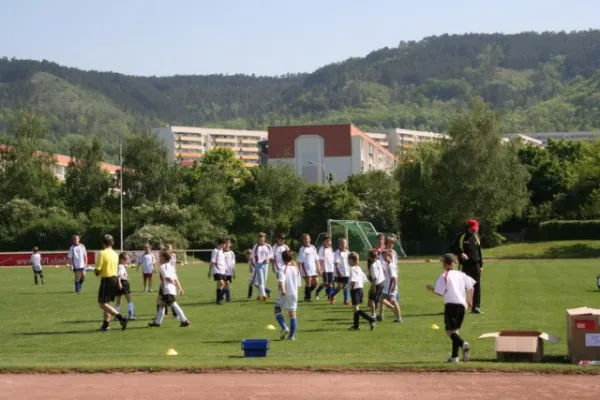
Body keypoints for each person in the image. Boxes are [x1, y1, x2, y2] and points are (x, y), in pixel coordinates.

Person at [426, 253, 474, 363]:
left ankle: (463, 344)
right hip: (462, 305)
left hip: (451, 305)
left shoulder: (444, 276)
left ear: (445, 264)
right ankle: (454, 357)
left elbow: (439, 292)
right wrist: (469, 301)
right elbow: (471, 288)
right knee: (455, 330)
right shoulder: (461, 274)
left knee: (449, 331)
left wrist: (431, 289)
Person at [94, 234, 128, 332]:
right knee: (107, 303)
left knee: (102, 303)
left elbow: (98, 269)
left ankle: (121, 318)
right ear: (112, 243)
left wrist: (96, 271)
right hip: (114, 279)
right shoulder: (115, 253)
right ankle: (106, 325)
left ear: (103, 243)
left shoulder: (102, 253)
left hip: (106, 280)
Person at [149, 250, 190, 327]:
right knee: (162, 304)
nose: (159, 258)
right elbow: (176, 278)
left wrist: (173, 283)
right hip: (169, 289)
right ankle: (158, 322)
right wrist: (179, 288)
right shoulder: (171, 266)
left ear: (164, 258)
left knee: (174, 304)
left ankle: (184, 320)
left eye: (160, 257)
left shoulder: (162, 267)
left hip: (167, 289)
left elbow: (167, 277)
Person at [451, 219, 484, 314]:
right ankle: (458, 307)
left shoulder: (477, 237)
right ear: (469, 227)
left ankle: (475, 307)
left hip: (476, 265)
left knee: (477, 286)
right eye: (473, 228)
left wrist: (481, 265)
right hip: (465, 265)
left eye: (476, 228)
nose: (475, 230)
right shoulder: (461, 236)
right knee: (462, 286)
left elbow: (479, 252)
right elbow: (452, 247)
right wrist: (461, 253)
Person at [274, 250, 302, 340]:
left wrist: (282, 290)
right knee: (292, 314)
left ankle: (284, 327)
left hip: (285, 293)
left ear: (282, 259)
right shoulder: (296, 269)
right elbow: (298, 284)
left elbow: (281, 280)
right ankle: (291, 336)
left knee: (277, 309)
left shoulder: (283, 268)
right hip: (294, 294)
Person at [348, 252, 376, 331]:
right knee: (355, 308)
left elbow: (353, 280)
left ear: (351, 260)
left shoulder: (352, 269)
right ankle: (356, 326)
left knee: (356, 309)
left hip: (355, 290)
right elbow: (365, 279)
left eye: (348, 260)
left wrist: (350, 288)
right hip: (360, 289)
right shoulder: (359, 268)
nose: (348, 262)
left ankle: (371, 319)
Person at [377, 250, 403, 323]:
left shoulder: (391, 265)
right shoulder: (388, 264)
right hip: (387, 287)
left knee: (393, 302)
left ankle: (399, 318)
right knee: (381, 299)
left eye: (384, 255)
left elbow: (394, 277)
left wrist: (393, 287)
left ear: (389, 256)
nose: (383, 257)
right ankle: (380, 315)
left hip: (390, 288)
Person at [297, 233, 319, 302]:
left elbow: (316, 258)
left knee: (316, 282)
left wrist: (318, 267)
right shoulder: (302, 249)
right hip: (305, 268)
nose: (307, 240)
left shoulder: (313, 247)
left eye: (308, 238)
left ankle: (306, 293)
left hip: (313, 268)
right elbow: (300, 261)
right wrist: (299, 271)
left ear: (310, 239)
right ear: (303, 240)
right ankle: (308, 298)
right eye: (305, 239)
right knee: (308, 282)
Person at [115, 252, 137, 321]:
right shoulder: (121, 266)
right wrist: (120, 283)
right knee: (129, 300)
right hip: (124, 283)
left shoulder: (118, 266)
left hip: (119, 283)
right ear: (122, 260)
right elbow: (119, 275)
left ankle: (116, 316)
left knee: (118, 301)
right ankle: (130, 315)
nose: (128, 261)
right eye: (126, 260)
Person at [252, 233, 273, 301]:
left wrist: (267, 258)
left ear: (264, 238)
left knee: (264, 280)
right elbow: (253, 255)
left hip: (266, 264)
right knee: (261, 280)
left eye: (262, 237)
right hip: (259, 265)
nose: (261, 239)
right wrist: (256, 263)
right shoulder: (256, 246)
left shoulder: (268, 246)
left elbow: (271, 254)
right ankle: (264, 295)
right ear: (258, 239)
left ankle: (258, 295)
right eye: (260, 237)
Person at [330, 238, 350, 305]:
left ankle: (346, 301)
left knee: (346, 286)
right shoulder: (337, 252)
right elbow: (336, 262)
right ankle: (332, 295)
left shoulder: (348, 252)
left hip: (347, 272)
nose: (343, 245)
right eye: (341, 243)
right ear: (339, 245)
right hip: (339, 273)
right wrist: (338, 270)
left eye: (344, 243)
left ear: (346, 244)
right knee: (339, 286)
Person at [208, 238, 228, 305]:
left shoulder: (222, 251)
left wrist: (225, 268)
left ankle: (218, 300)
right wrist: (209, 271)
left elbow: (222, 261)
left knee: (222, 285)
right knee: (222, 283)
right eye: (225, 244)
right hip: (216, 270)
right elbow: (212, 261)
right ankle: (220, 299)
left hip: (222, 270)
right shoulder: (215, 251)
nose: (225, 245)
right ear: (221, 244)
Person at [315, 235, 334, 300]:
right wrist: (320, 269)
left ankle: (330, 296)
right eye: (327, 241)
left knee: (330, 283)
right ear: (324, 242)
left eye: (330, 241)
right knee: (326, 282)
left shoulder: (331, 249)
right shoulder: (322, 249)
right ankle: (317, 291)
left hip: (331, 268)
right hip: (324, 269)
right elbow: (320, 260)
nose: (329, 242)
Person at [368, 250, 385, 319]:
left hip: (377, 283)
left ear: (370, 257)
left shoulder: (373, 266)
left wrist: (373, 286)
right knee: (379, 298)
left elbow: (375, 277)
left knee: (372, 299)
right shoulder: (378, 261)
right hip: (382, 281)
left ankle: (373, 314)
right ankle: (379, 313)